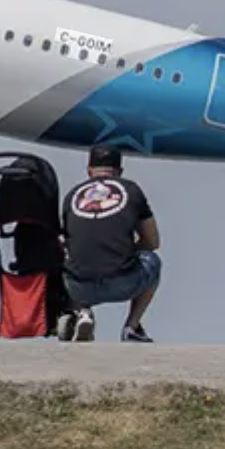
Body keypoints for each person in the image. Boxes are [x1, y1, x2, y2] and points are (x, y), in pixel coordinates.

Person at [57, 144, 160, 343]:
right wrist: (126, 251)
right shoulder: (131, 189)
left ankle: (83, 312)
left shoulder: (72, 196)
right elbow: (153, 241)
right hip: (122, 282)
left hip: (79, 287)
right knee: (152, 260)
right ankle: (131, 327)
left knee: (72, 259)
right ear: (120, 171)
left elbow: (71, 242)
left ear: (89, 171)